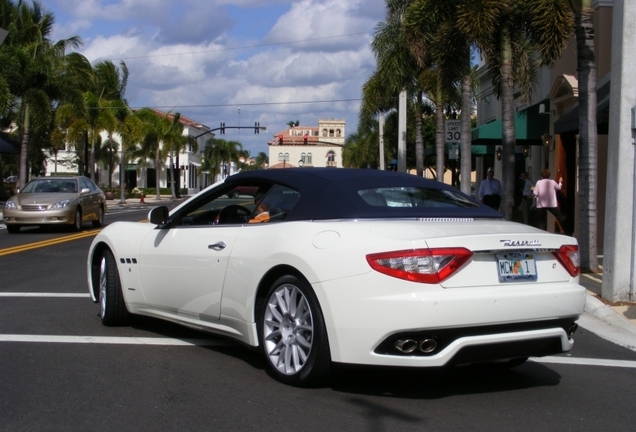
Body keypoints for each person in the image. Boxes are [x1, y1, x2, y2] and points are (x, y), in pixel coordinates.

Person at [533, 169, 566, 233]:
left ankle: (541, 233)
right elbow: (559, 188)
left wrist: (534, 189)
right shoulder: (552, 182)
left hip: (541, 204)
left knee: (541, 221)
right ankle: (567, 230)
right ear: (549, 175)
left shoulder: (538, 182)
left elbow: (536, 193)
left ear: (542, 175)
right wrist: (560, 182)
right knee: (560, 217)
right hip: (551, 203)